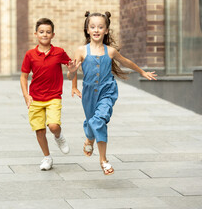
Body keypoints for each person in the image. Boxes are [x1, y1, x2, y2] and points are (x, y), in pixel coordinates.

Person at [67, 11, 157, 175]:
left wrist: (142, 72)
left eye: (100, 27)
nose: (96, 30)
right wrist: (73, 82)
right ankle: (89, 137)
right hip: (88, 93)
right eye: (92, 27)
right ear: (87, 30)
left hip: (107, 90)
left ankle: (103, 160)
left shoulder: (110, 51)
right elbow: (73, 71)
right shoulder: (81, 51)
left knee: (99, 120)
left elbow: (126, 62)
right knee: (91, 120)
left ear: (106, 30)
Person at [20, 18, 79, 171]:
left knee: (53, 126)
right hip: (35, 98)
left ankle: (59, 137)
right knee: (40, 130)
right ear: (36, 34)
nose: (44, 34)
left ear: (53, 34)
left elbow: (71, 70)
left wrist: (73, 79)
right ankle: (47, 157)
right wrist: (26, 95)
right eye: (41, 32)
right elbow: (24, 76)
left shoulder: (59, 52)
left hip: (53, 97)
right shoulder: (30, 55)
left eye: (48, 32)